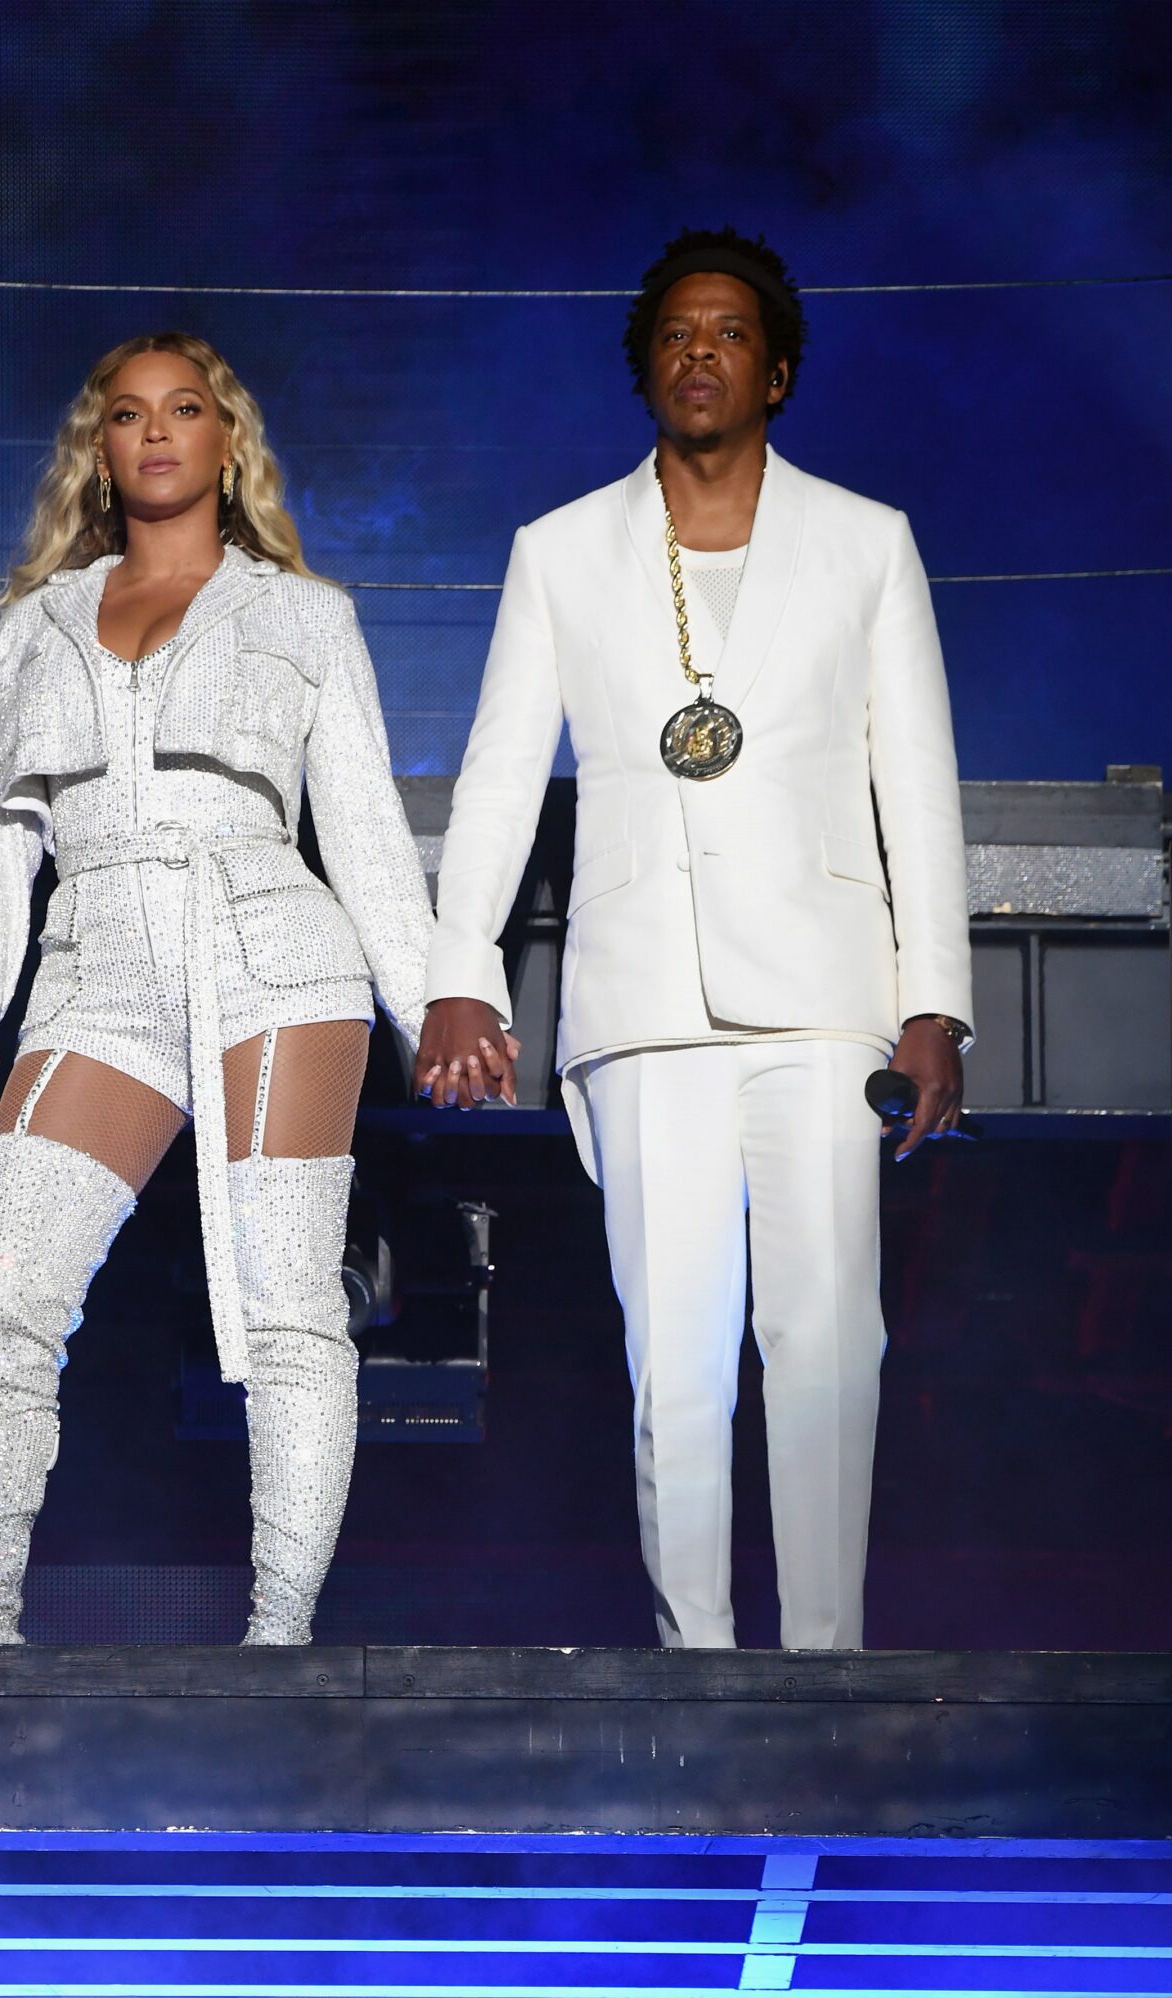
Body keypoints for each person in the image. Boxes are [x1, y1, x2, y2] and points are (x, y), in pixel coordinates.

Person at [416, 228, 972, 1652]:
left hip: (826, 1003)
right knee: (675, 1363)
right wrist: (461, 975)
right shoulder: (559, 552)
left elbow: (916, 784)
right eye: (676, 334)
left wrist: (937, 1007)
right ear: (645, 368)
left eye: (729, 333)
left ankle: (829, 1666)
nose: (701, 352)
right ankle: (701, 1675)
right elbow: (493, 781)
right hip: (644, 1006)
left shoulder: (868, 543)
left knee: (832, 1344)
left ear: (776, 370)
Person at [0, 332, 431, 1647]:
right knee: (2, 1305)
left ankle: (279, 1648)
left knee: (288, 1311)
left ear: (226, 442)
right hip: (91, 960)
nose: (156, 432)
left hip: (268, 943)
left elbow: (367, 839)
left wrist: (437, 1005)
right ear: (99, 448)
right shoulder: (31, 628)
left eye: (185, 409)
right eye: (128, 414)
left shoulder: (304, 617)